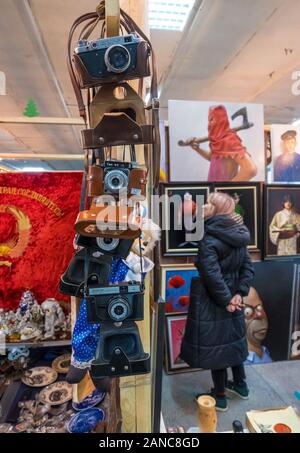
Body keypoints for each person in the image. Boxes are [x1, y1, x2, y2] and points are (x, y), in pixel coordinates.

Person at [180, 192, 254, 412]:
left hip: (214, 298)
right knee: (232, 340)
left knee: (217, 346)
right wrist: (239, 294)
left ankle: (220, 397)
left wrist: (226, 299)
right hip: (232, 297)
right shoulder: (239, 235)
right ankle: (241, 386)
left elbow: (211, 275)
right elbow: (247, 267)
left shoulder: (209, 237)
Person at [189, 105, 257, 182]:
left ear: (221, 121)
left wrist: (228, 188)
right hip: (214, 189)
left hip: (223, 192)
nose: (209, 124)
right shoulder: (216, 141)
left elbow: (251, 170)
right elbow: (213, 159)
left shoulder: (230, 141)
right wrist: (197, 149)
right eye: (209, 120)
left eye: (212, 120)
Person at [244, 287, 272, 365]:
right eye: (248, 312)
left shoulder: (265, 351)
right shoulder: (238, 362)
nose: (259, 314)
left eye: (259, 307)